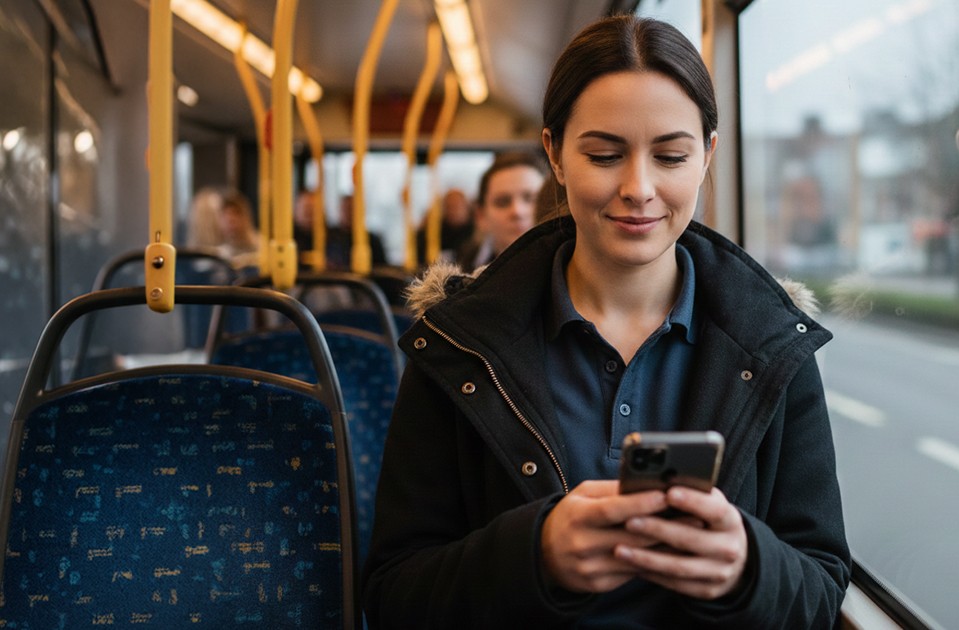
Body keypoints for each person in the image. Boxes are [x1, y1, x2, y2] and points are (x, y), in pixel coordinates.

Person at [363, 15, 849, 629]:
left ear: (708, 156)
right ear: (555, 155)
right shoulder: (460, 344)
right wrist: (531, 556)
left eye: (671, 155)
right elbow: (392, 595)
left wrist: (748, 569)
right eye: (603, 154)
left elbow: (822, 587)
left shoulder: (774, 343)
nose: (638, 188)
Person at [457, 151, 546, 267]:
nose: (517, 211)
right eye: (502, 202)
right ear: (481, 216)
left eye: (530, 199)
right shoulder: (462, 275)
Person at [415, 188, 476, 265]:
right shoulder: (436, 230)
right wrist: (424, 227)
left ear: (467, 207)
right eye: (450, 206)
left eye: (457, 206)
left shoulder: (475, 232)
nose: (454, 211)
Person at [328, 194, 388, 269]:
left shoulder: (372, 240)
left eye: (352, 209)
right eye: (345, 209)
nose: (348, 213)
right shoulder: (328, 237)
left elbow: (382, 269)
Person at [214, 188, 260, 268]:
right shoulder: (219, 254)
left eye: (236, 213)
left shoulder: (262, 247)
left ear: (246, 218)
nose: (230, 219)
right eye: (225, 215)